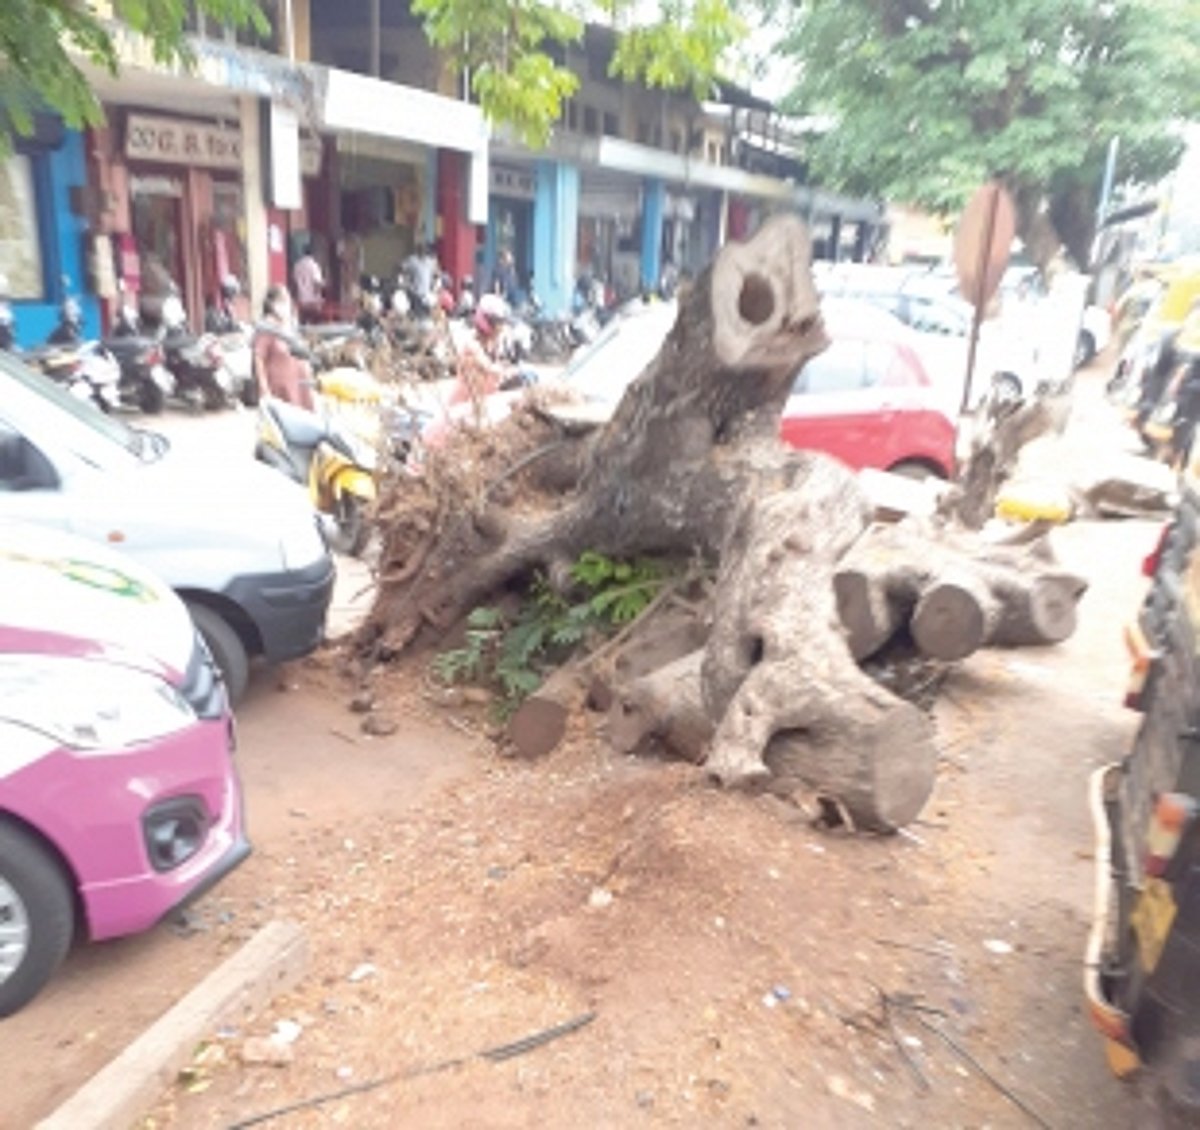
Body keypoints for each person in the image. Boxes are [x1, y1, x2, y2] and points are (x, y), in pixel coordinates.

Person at [254, 285, 313, 410]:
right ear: (272, 304)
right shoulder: (267, 329)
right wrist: (264, 389)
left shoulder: (290, 327)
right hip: (281, 390)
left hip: (299, 385)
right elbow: (258, 360)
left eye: (287, 301)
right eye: (281, 301)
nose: (286, 306)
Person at [293, 244, 324, 324]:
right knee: (314, 325)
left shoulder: (297, 265)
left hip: (301, 300)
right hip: (312, 301)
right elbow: (317, 283)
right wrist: (318, 297)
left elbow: (294, 283)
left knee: (302, 324)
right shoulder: (314, 265)